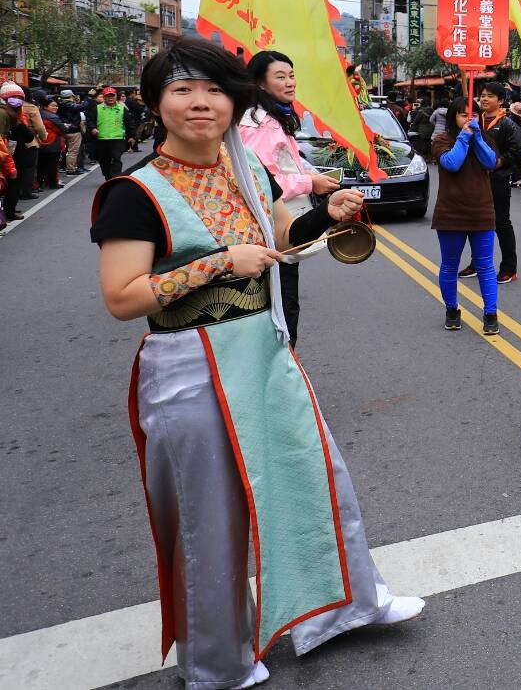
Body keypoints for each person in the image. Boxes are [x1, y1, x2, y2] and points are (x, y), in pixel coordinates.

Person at [91, 39, 422, 689]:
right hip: (188, 366)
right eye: (182, 90)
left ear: (234, 101)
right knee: (210, 519)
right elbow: (121, 297)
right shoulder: (132, 192)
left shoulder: (245, 170)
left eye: (214, 90)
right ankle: (221, 662)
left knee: (312, 477)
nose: (200, 102)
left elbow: (279, 235)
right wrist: (217, 262)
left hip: (265, 354)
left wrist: (326, 214)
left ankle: (343, 607)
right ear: (156, 102)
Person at [239, 50, 341, 346]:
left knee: (285, 304)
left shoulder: (275, 117)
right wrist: (310, 182)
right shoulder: (258, 125)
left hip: (278, 226)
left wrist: (315, 174)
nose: (290, 82)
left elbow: (287, 163)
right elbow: (260, 180)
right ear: (259, 84)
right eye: (280, 77)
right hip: (270, 229)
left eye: (292, 75)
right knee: (281, 311)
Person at [432, 98, 500, 335]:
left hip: (482, 212)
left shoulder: (486, 139)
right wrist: (464, 137)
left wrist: (478, 138)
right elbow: (452, 163)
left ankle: (491, 313)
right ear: (453, 118)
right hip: (451, 213)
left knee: (485, 265)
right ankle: (452, 309)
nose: (469, 119)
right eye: (463, 115)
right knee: (450, 265)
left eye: (473, 114)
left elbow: (490, 162)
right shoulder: (441, 140)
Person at [459, 83, 521, 284]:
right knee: (476, 223)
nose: (484, 99)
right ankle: (476, 264)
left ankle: (509, 268)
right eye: (482, 96)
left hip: (498, 181)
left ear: (501, 101)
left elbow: (515, 152)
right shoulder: (474, 121)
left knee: (501, 224)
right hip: (475, 181)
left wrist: (498, 163)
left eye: (490, 96)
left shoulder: (509, 124)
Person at [2, 82, 45, 222]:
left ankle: (9, 210)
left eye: (19, 97)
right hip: (8, 155)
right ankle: (8, 212)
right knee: (12, 183)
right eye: (13, 97)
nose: (16, 100)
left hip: (12, 154)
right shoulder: (6, 114)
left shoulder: (16, 114)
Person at [88, 85, 130, 178]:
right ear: (104, 97)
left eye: (112, 96)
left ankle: (115, 177)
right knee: (104, 161)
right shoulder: (97, 108)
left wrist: (132, 136)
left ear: (116, 96)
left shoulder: (122, 108)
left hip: (118, 138)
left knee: (116, 159)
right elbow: (90, 120)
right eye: (108, 96)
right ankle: (108, 175)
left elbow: (129, 123)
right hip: (102, 139)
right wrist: (93, 128)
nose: (110, 98)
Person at [35, 94, 64, 190]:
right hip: (53, 142)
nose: (55, 107)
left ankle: (39, 182)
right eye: (53, 105)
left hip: (40, 142)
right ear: (46, 106)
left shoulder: (39, 114)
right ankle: (52, 183)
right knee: (53, 164)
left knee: (41, 165)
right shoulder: (53, 117)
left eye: (56, 106)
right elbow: (62, 129)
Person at [57, 89, 86, 174]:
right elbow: (82, 107)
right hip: (73, 130)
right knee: (73, 151)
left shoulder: (59, 104)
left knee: (64, 150)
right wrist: (85, 100)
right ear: (71, 96)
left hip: (63, 129)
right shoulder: (70, 104)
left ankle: (63, 167)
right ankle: (71, 169)